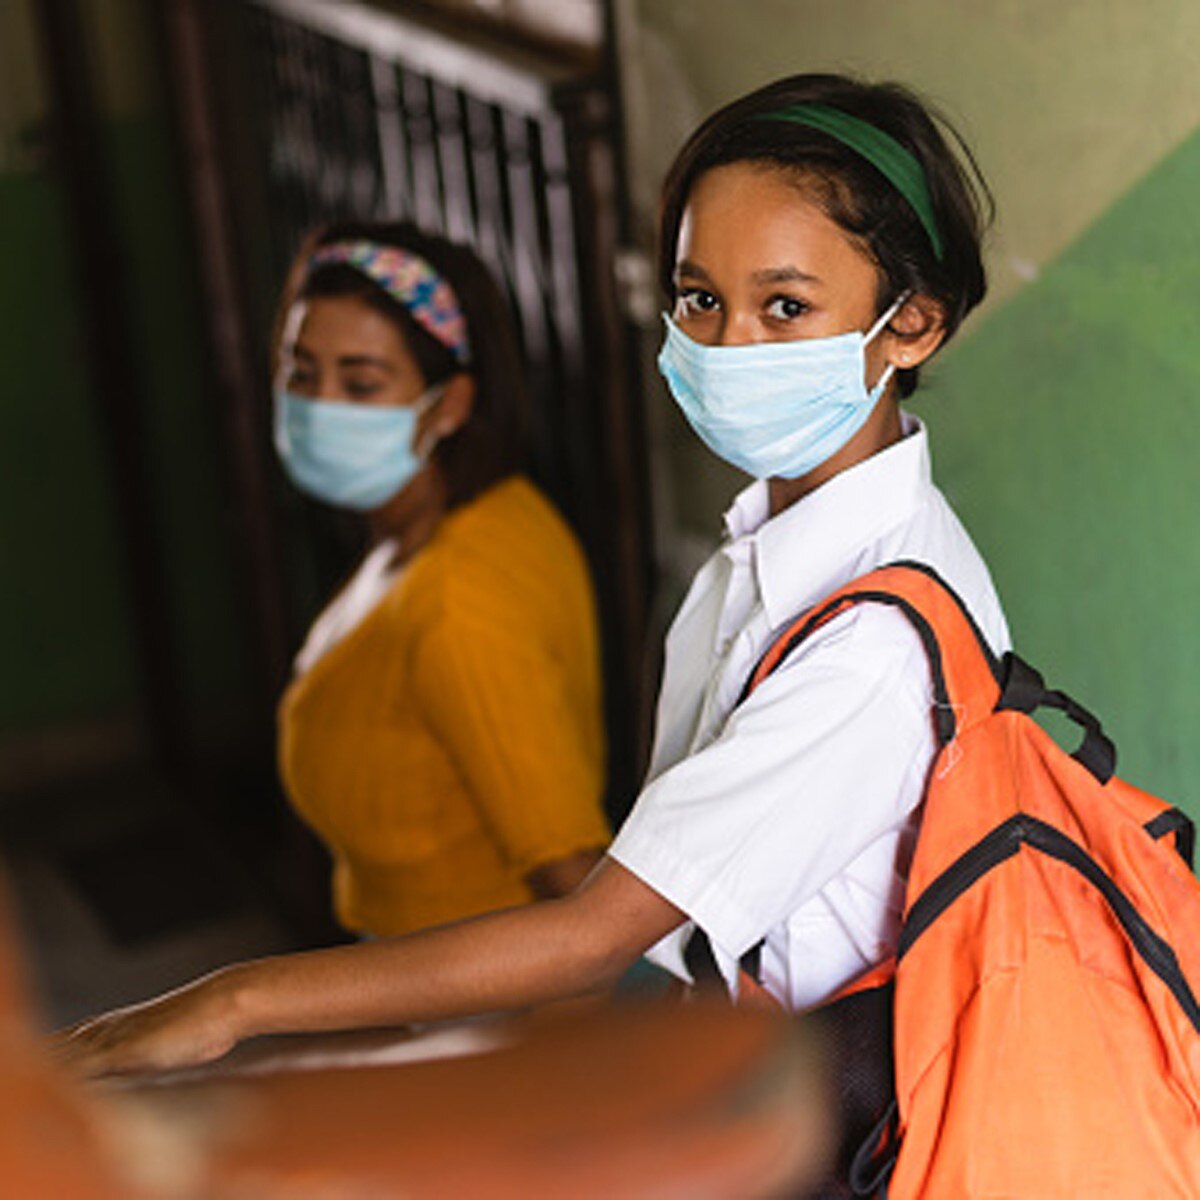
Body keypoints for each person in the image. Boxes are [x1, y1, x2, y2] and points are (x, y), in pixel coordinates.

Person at [56, 72, 1009, 1075]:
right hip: (735, 1059)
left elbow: (591, 931)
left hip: (837, 1116)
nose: (729, 347)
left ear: (913, 324)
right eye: (700, 299)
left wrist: (237, 1000)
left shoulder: (868, 645)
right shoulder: (770, 548)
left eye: (784, 306)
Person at [268, 222, 610, 937]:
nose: (320, 404)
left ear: (449, 404)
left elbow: (575, 881)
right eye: (301, 372)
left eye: (361, 383)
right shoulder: (477, 513)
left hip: (485, 1006)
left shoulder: (459, 606)